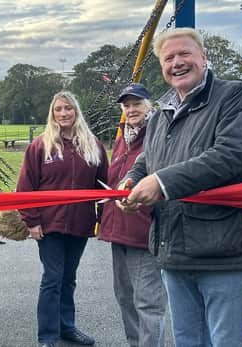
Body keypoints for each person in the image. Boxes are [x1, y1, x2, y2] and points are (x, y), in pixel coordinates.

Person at [122, 28, 242, 346]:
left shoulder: (235, 96)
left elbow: (230, 154)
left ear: (203, 56)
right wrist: (132, 178)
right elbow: (149, 158)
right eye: (168, 57)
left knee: (229, 341)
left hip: (224, 251)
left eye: (184, 53)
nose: (177, 62)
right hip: (174, 250)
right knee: (189, 341)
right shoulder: (161, 114)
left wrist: (160, 182)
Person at [17, 91, 109, 347]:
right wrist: (32, 221)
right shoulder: (41, 146)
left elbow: (104, 187)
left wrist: (103, 220)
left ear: (76, 111)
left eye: (68, 108)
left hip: (79, 223)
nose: (63, 113)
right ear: (52, 113)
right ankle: (47, 335)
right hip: (49, 225)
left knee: (69, 277)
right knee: (52, 278)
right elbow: (25, 186)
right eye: (58, 109)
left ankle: (67, 326)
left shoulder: (93, 146)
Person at [97, 83, 167, 347]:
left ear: (149, 105)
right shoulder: (122, 139)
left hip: (145, 231)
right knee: (125, 298)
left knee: (148, 302)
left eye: (137, 103)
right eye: (126, 105)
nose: (131, 109)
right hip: (118, 231)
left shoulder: (158, 134)